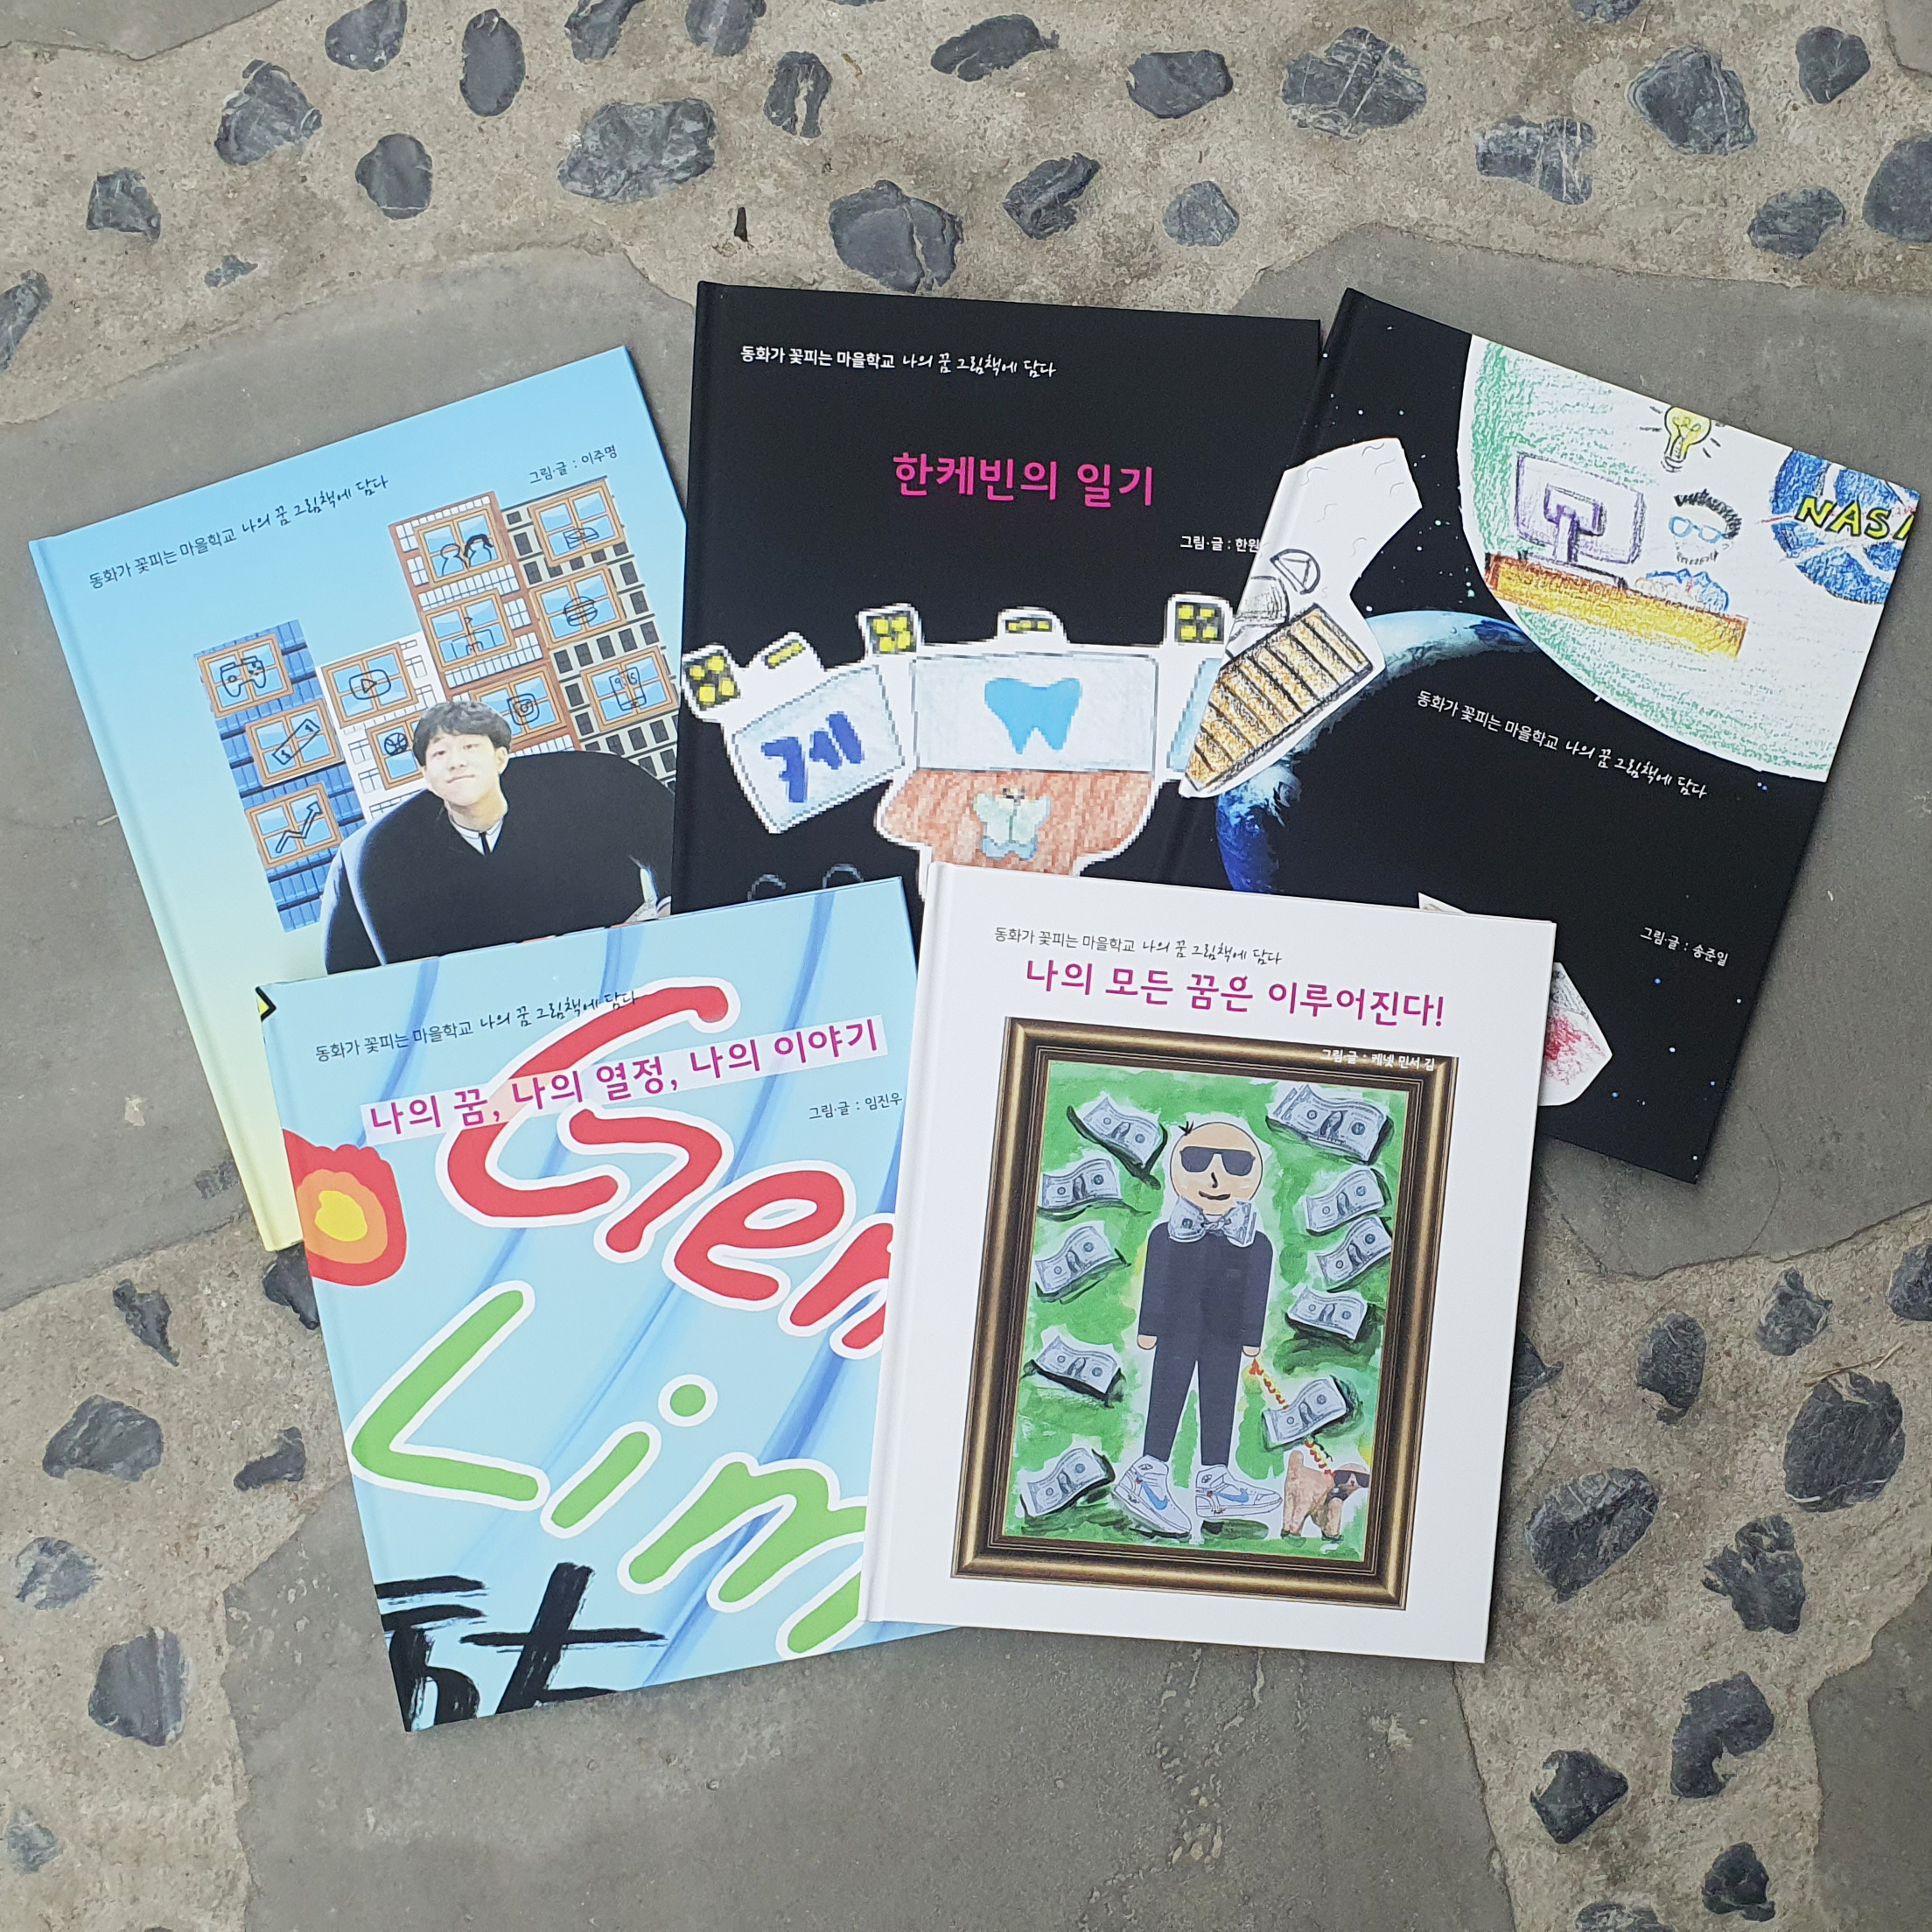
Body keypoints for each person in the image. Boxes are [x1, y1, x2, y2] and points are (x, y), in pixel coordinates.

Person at [322, 699, 673, 971]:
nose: (456, 763)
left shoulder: (591, 779)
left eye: (470, 747)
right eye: (440, 753)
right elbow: (366, 974)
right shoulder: (376, 854)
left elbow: (675, 839)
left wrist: (668, 916)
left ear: (501, 757)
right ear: (425, 774)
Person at [1110, 1118, 1284, 1538]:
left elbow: (1256, 1290)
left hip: (1225, 1337)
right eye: (1198, 1159)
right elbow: (1157, 1281)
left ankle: (1215, 1482)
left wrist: (1251, 1337)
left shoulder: (1256, 1243)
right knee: (1167, 1392)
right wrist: (1149, 1327)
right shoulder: (1166, 1236)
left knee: (1221, 1398)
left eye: (1236, 1164)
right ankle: (1147, 1474)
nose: (1214, 1176)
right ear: (1178, 1167)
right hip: (1176, 1331)